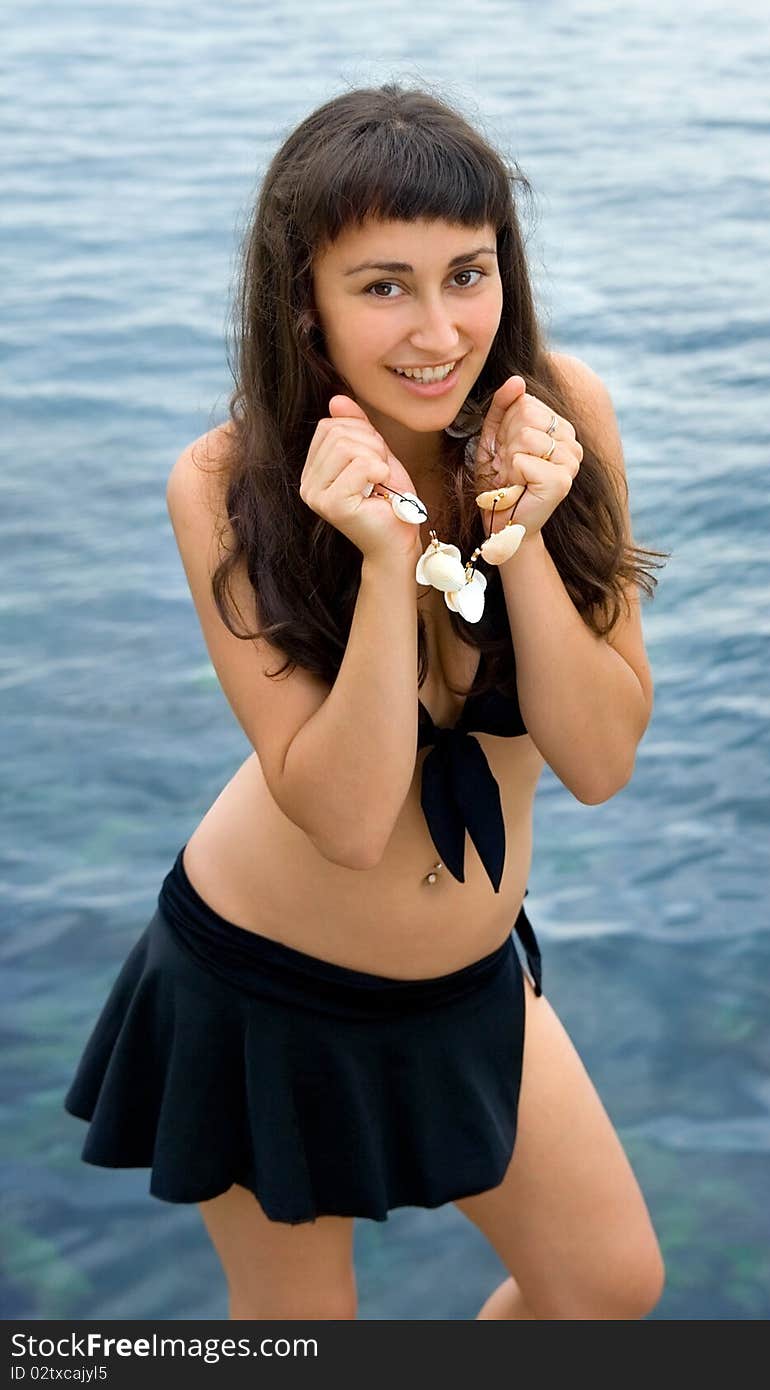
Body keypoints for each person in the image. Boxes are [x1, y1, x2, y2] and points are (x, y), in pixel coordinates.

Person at [64, 81, 670, 1321]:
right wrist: (388, 565)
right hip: (261, 989)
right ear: (306, 303)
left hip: (468, 979)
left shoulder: (564, 417)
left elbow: (599, 760)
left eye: (469, 273)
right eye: (383, 284)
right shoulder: (228, 484)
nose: (440, 329)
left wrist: (525, 539)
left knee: (605, 1287)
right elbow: (342, 816)